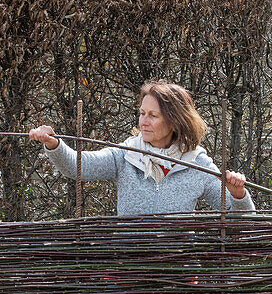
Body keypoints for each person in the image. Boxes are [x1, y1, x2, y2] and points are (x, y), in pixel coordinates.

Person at [29, 81, 255, 215]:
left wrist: (238, 195)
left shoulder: (196, 163)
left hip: (178, 278)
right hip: (129, 273)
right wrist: (54, 144)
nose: (143, 122)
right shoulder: (126, 155)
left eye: (153, 116)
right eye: (142, 113)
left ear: (174, 121)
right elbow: (78, 167)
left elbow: (240, 220)